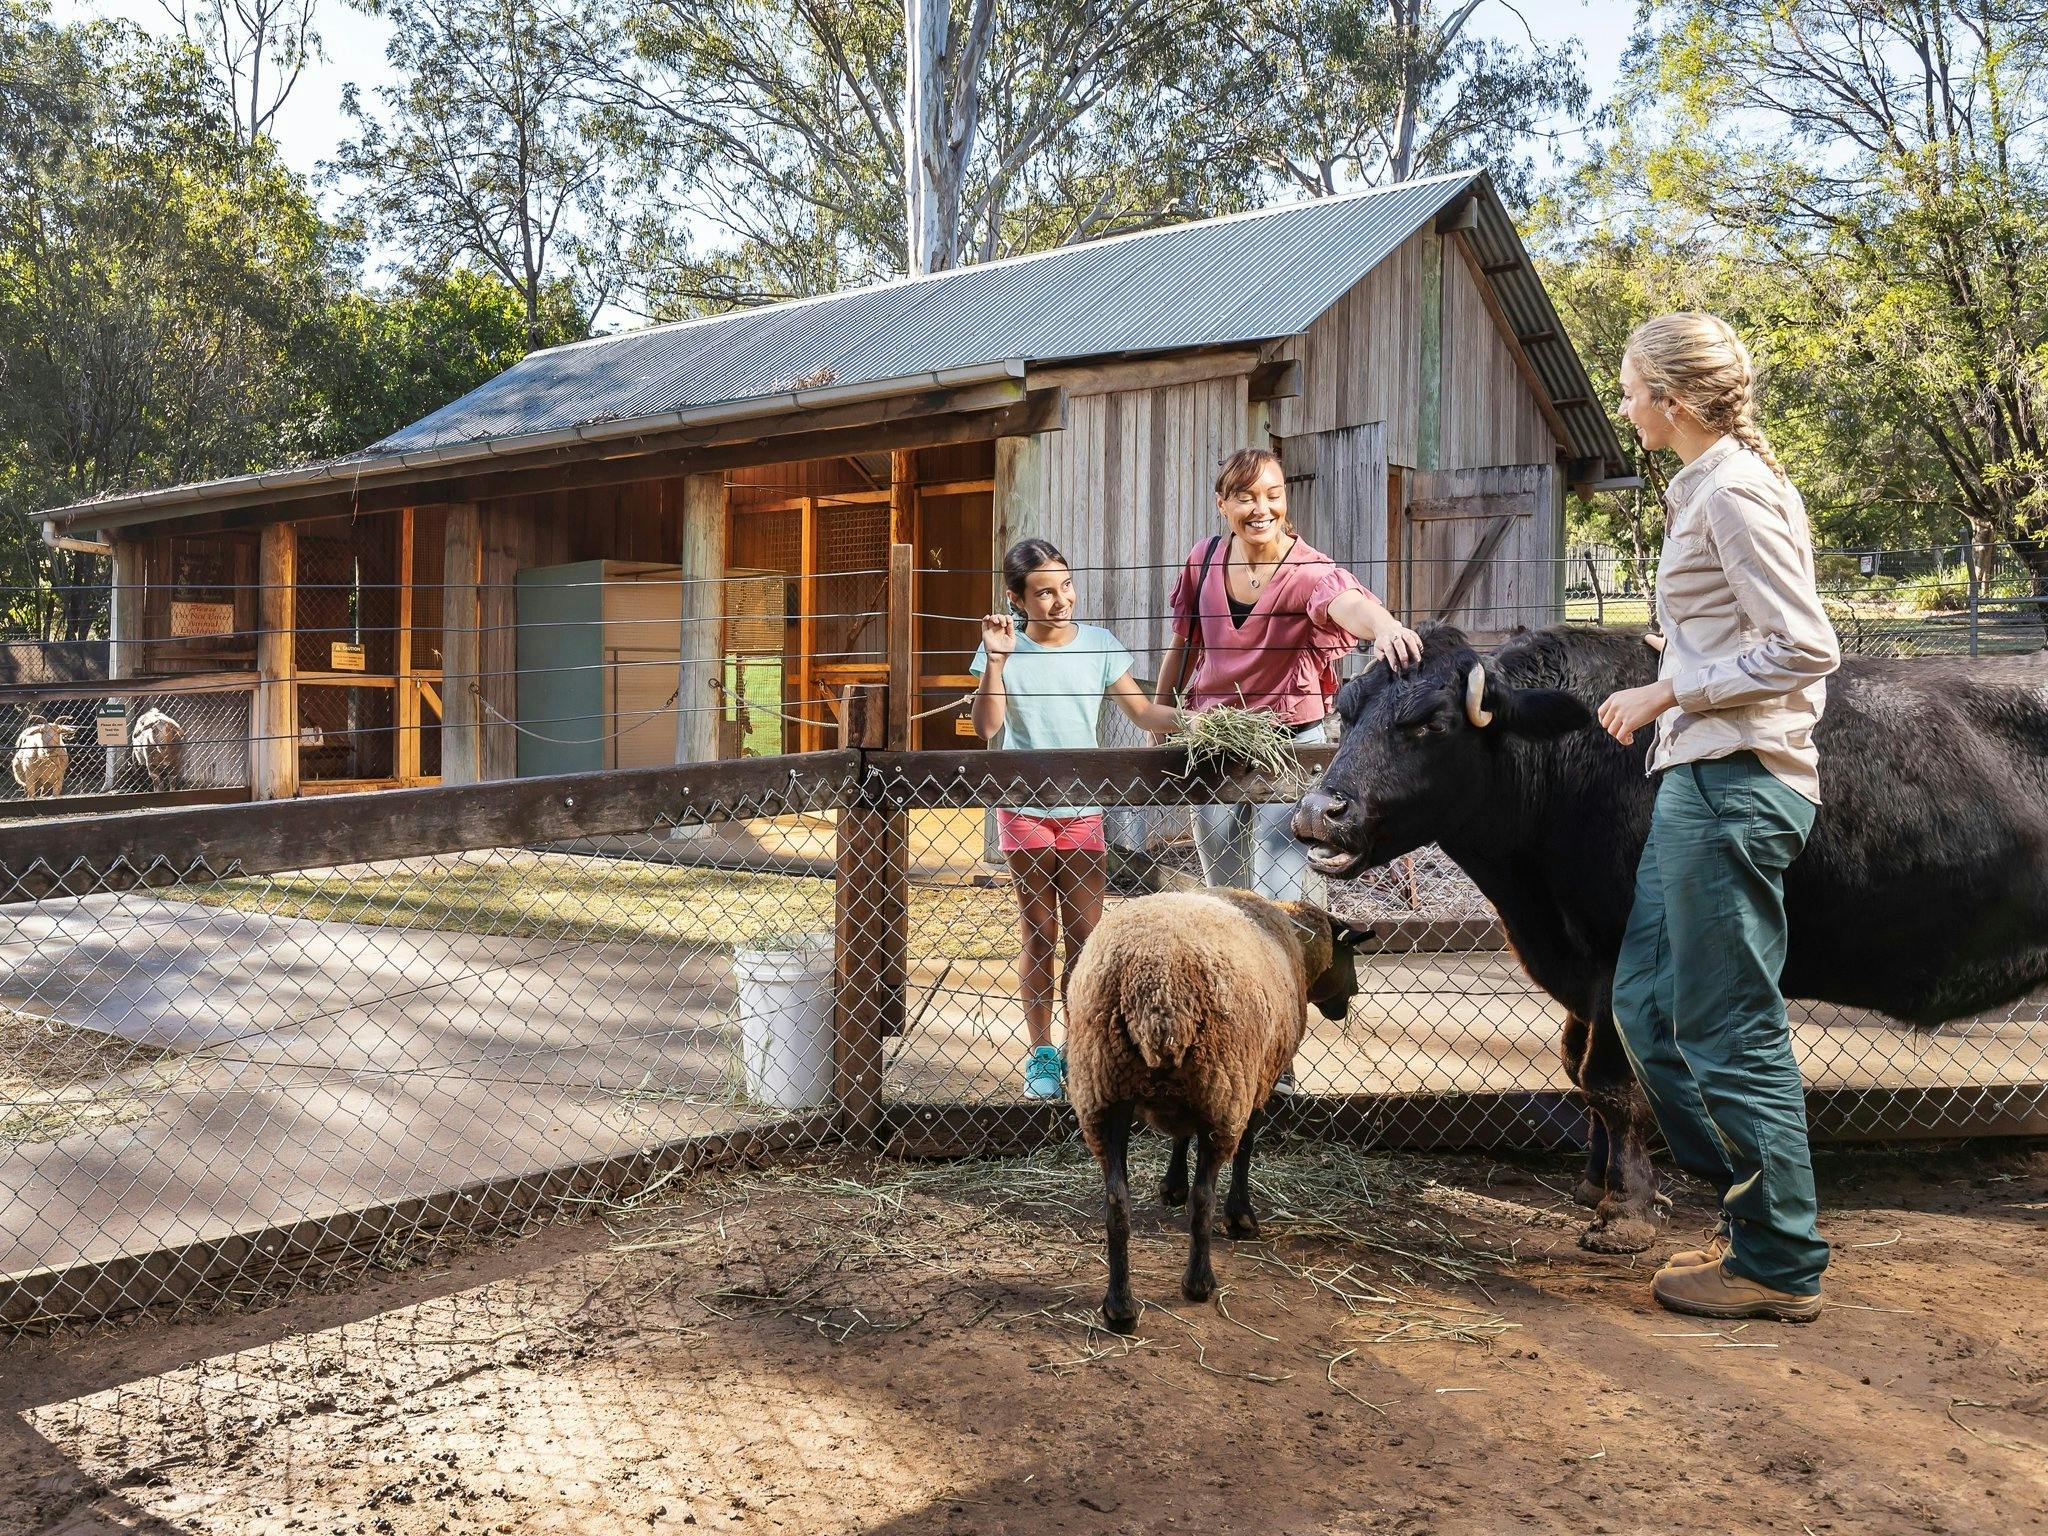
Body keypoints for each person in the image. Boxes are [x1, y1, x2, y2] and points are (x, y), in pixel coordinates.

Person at [1599, 312, 1841, 1324]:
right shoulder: (1705, 486)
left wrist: (1671, 687)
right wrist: (1682, 652)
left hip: (1738, 781)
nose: (1623, 405)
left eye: (1630, 389)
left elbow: (1805, 645)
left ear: (1672, 400)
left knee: (1727, 1024)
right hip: (1698, 776)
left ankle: (1778, 1257)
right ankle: (1752, 1209)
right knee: (1644, 1005)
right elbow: (1741, 629)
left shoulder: (1733, 491)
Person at [1153, 446, 1421, 1094]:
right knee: (1225, 896)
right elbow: (1184, 643)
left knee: (1277, 896)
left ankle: (1278, 1057)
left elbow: (1345, 602)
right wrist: (1162, 714)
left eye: (1272, 494)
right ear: (1223, 503)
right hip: (1216, 743)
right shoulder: (1203, 561)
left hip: (1288, 745)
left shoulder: (1306, 571)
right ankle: (1228, 1037)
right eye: (1246, 496)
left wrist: (1385, 625)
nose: (1261, 508)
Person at [972, 539, 1182, 1100]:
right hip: (1024, 809)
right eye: (1043, 592)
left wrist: (1206, 718)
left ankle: (1081, 1044)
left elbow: (1144, 711)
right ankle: (1041, 1052)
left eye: (1065, 585)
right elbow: (987, 726)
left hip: (1083, 809)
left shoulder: (1099, 645)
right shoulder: (1004, 648)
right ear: (1016, 599)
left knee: (1086, 936)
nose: (1061, 600)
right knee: (1040, 932)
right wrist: (996, 661)